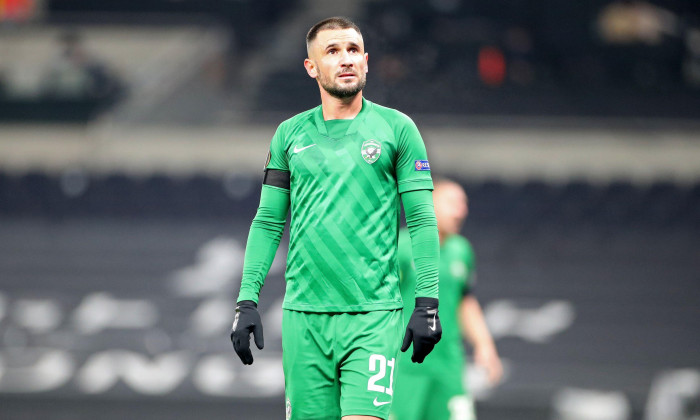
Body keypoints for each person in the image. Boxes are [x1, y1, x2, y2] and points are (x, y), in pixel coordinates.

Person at [230, 17, 443, 420]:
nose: (345, 59)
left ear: (366, 61)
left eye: (352, 50)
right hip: (303, 317)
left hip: (373, 316)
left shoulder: (398, 129)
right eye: (332, 51)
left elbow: (420, 219)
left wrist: (428, 302)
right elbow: (268, 222)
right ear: (311, 67)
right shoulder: (288, 135)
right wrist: (246, 300)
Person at [391, 179, 503, 420]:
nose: (462, 210)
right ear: (431, 205)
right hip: (406, 367)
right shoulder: (401, 246)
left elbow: (465, 301)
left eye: (464, 204)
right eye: (453, 202)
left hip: (449, 366)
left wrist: (485, 345)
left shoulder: (462, 250)